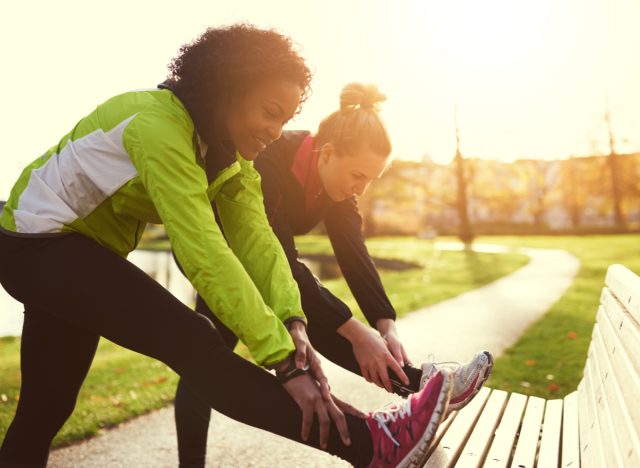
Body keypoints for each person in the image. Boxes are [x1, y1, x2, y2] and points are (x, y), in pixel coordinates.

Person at [0, 25, 452, 468]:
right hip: (35, 243)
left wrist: (293, 325)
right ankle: (371, 444)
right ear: (227, 89)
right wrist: (283, 362)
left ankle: (374, 442)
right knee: (193, 339)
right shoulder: (158, 126)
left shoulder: (228, 156)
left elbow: (260, 245)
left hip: (69, 252)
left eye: (285, 120)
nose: (276, 131)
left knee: (45, 411)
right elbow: (204, 249)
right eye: (270, 112)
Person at [173, 82, 494, 467]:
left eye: (370, 181)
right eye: (358, 175)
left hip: (269, 264)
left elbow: (354, 254)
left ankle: (417, 384)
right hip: (223, 258)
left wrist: (384, 325)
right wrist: (355, 330)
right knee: (205, 359)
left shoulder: (337, 187)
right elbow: (278, 260)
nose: (361, 187)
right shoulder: (271, 159)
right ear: (326, 154)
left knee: (319, 323)